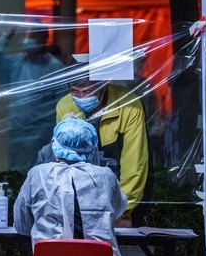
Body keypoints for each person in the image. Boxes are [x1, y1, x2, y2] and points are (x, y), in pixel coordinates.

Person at [13, 117, 128, 256]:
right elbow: (115, 213)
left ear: (55, 145)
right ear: (93, 148)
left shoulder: (37, 174)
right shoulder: (106, 176)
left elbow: (22, 226)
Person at [55, 75, 149, 228]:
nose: (80, 97)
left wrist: (124, 210)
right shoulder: (65, 105)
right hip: (77, 201)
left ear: (104, 86)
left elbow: (134, 162)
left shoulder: (129, 105)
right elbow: (64, 159)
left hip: (118, 196)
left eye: (87, 92)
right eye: (75, 91)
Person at [0, 21, 67, 172]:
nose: (28, 41)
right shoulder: (16, 64)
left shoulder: (55, 68)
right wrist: (7, 35)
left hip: (44, 135)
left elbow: (64, 104)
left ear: (43, 39)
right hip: (18, 133)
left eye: (33, 37)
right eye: (27, 37)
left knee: (42, 174)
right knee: (18, 174)